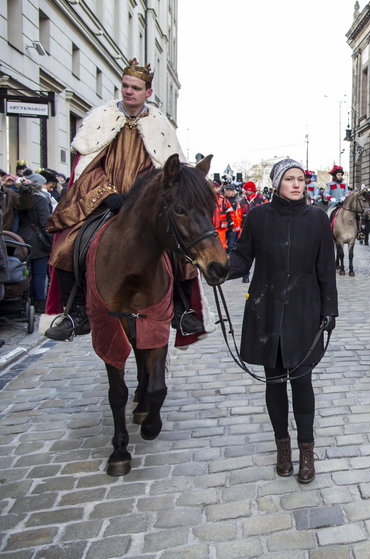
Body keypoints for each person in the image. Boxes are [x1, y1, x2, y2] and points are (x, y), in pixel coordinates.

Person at [43, 58, 205, 341]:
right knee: (67, 244)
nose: (129, 92)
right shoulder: (101, 120)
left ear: (148, 93)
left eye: (136, 88)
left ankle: (182, 309)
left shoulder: (159, 126)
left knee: (178, 245)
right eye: (126, 86)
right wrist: (108, 194)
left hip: (145, 206)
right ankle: (75, 311)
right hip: (106, 201)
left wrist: (149, 198)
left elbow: (166, 172)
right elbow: (88, 168)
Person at [227, 158, 337, 484]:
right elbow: (243, 256)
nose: (296, 184)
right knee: (274, 382)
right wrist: (220, 266)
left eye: (300, 179)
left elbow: (326, 269)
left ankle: (306, 453)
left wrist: (329, 310)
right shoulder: (258, 216)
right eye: (289, 179)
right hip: (267, 311)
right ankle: (282, 449)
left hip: (305, 312)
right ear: (277, 184)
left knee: (302, 381)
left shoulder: (317, 218)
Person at [15, 174, 53, 313]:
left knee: (26, 271)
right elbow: (45, 223)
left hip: (20, 238)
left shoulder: (21, 198)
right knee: (39, 273)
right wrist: (52, 240)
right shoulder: (40, 200)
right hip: (37, 240)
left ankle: (26, 299)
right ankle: (40, 303)